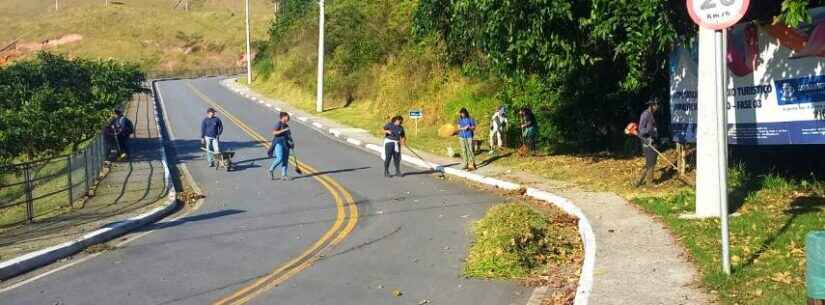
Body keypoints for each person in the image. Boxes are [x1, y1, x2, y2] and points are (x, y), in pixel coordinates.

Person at [636, 98, 660, 187]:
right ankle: (648, 182)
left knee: (652, 161)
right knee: (650, 161)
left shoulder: (652, 114)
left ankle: (641, 181)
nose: (657, 106)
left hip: (653, 140)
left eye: (657, 104)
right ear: (651, 105)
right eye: (656, 105)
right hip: (647, 142)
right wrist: (649, 130)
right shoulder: (645, 115)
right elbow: (641, 130)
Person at [268, 112, 293, 181]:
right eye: (287, 116)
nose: (288, 118)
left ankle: (284, 175)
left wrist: (292, 142)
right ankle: (271, 170)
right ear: (283, 117)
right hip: (278, 143)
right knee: (280, 158)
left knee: (285, 160)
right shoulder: (278, 124)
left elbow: (289, 135)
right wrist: (284, 130)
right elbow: (274, 132)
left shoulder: (287, 125)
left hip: (286, 144)